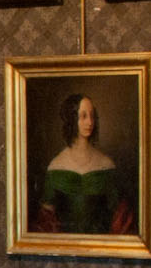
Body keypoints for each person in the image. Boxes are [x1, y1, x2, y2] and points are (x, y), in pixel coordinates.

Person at [37, 93, 134, 235]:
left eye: (92, 116)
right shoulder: (55, 166)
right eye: (83, 116)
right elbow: (46, 221)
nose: (90, 122)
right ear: (72, 119)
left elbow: (120, 219)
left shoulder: (106, 164)